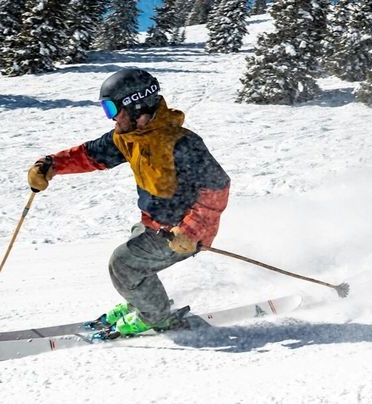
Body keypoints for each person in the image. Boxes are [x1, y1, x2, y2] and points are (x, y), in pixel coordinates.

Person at [27, 69, 230, 337]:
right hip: (154, 223)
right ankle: (144, 301)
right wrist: (51, 165)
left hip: (184, 232)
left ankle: (158, 317)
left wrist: (191, 231)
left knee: (124, 264)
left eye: (112, 108)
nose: (111, 117)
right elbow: (90, 155)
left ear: (136, 106)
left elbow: (217, 187)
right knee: (134, 259)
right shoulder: (128, 137)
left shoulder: (181, 143)